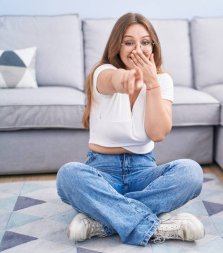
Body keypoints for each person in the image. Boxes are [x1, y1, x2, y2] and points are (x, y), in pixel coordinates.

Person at [56, 12, 205, 246]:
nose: (138, 49)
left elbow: (158, 133)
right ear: (117, 46)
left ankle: (104, 220)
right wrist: (125, 79)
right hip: (102, 172)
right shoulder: (102, 72)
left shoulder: (163, 81)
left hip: (143, 171)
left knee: (191, 172)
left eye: (145, 42)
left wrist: (152, 83)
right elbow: (111, 80)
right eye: (128, 42)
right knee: (68, 175)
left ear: (153, 47)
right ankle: (151, 224)